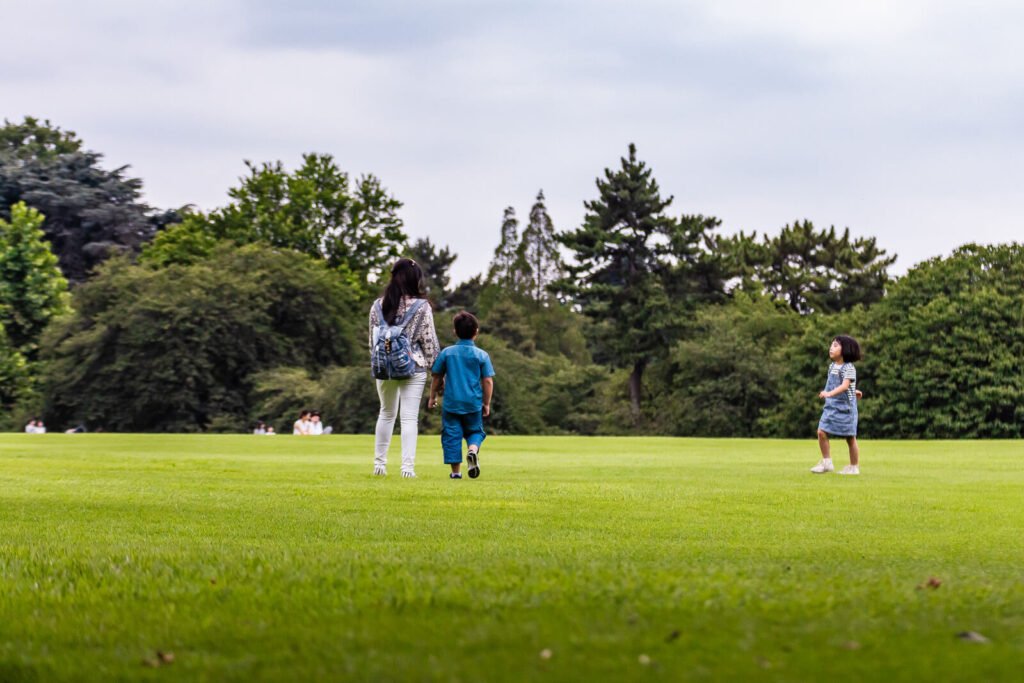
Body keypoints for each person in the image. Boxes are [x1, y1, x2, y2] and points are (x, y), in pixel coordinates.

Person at [369, 258, 439, 478]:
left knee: (386, 413)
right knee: (409, 418)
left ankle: (379, 465)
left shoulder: (378, 305)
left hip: (384, 367)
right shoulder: (422, 307)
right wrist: (436, 369)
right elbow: (429, 342)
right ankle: (407, 469)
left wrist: (380, 360)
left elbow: (373, 339)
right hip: (413, 365)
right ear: (415, 280)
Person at [428, 311, 494, 480]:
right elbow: (487, 381)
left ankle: (456, 472)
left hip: (451, 403)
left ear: (455, 332)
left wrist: (432, 396)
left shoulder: (447, 353)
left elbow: (436, 376)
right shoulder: (482, 355)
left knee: (451, 435)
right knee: (475, 431)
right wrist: (486, 403)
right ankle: (472, 450)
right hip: (473, 402)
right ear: (476, 332)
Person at [811, 335, 863, 475]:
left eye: (835, 345)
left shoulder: (849, 368)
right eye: (831, 345)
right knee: (821, 432)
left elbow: (845, 385)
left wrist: (829, 393)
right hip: (831, 406)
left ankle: (854, 467)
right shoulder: (832, 366)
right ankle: (827, 462)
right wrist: (854, 390)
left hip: (845, 408)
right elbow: (846, 385)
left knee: (850, 437)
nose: (831, 348)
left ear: (845, 349)